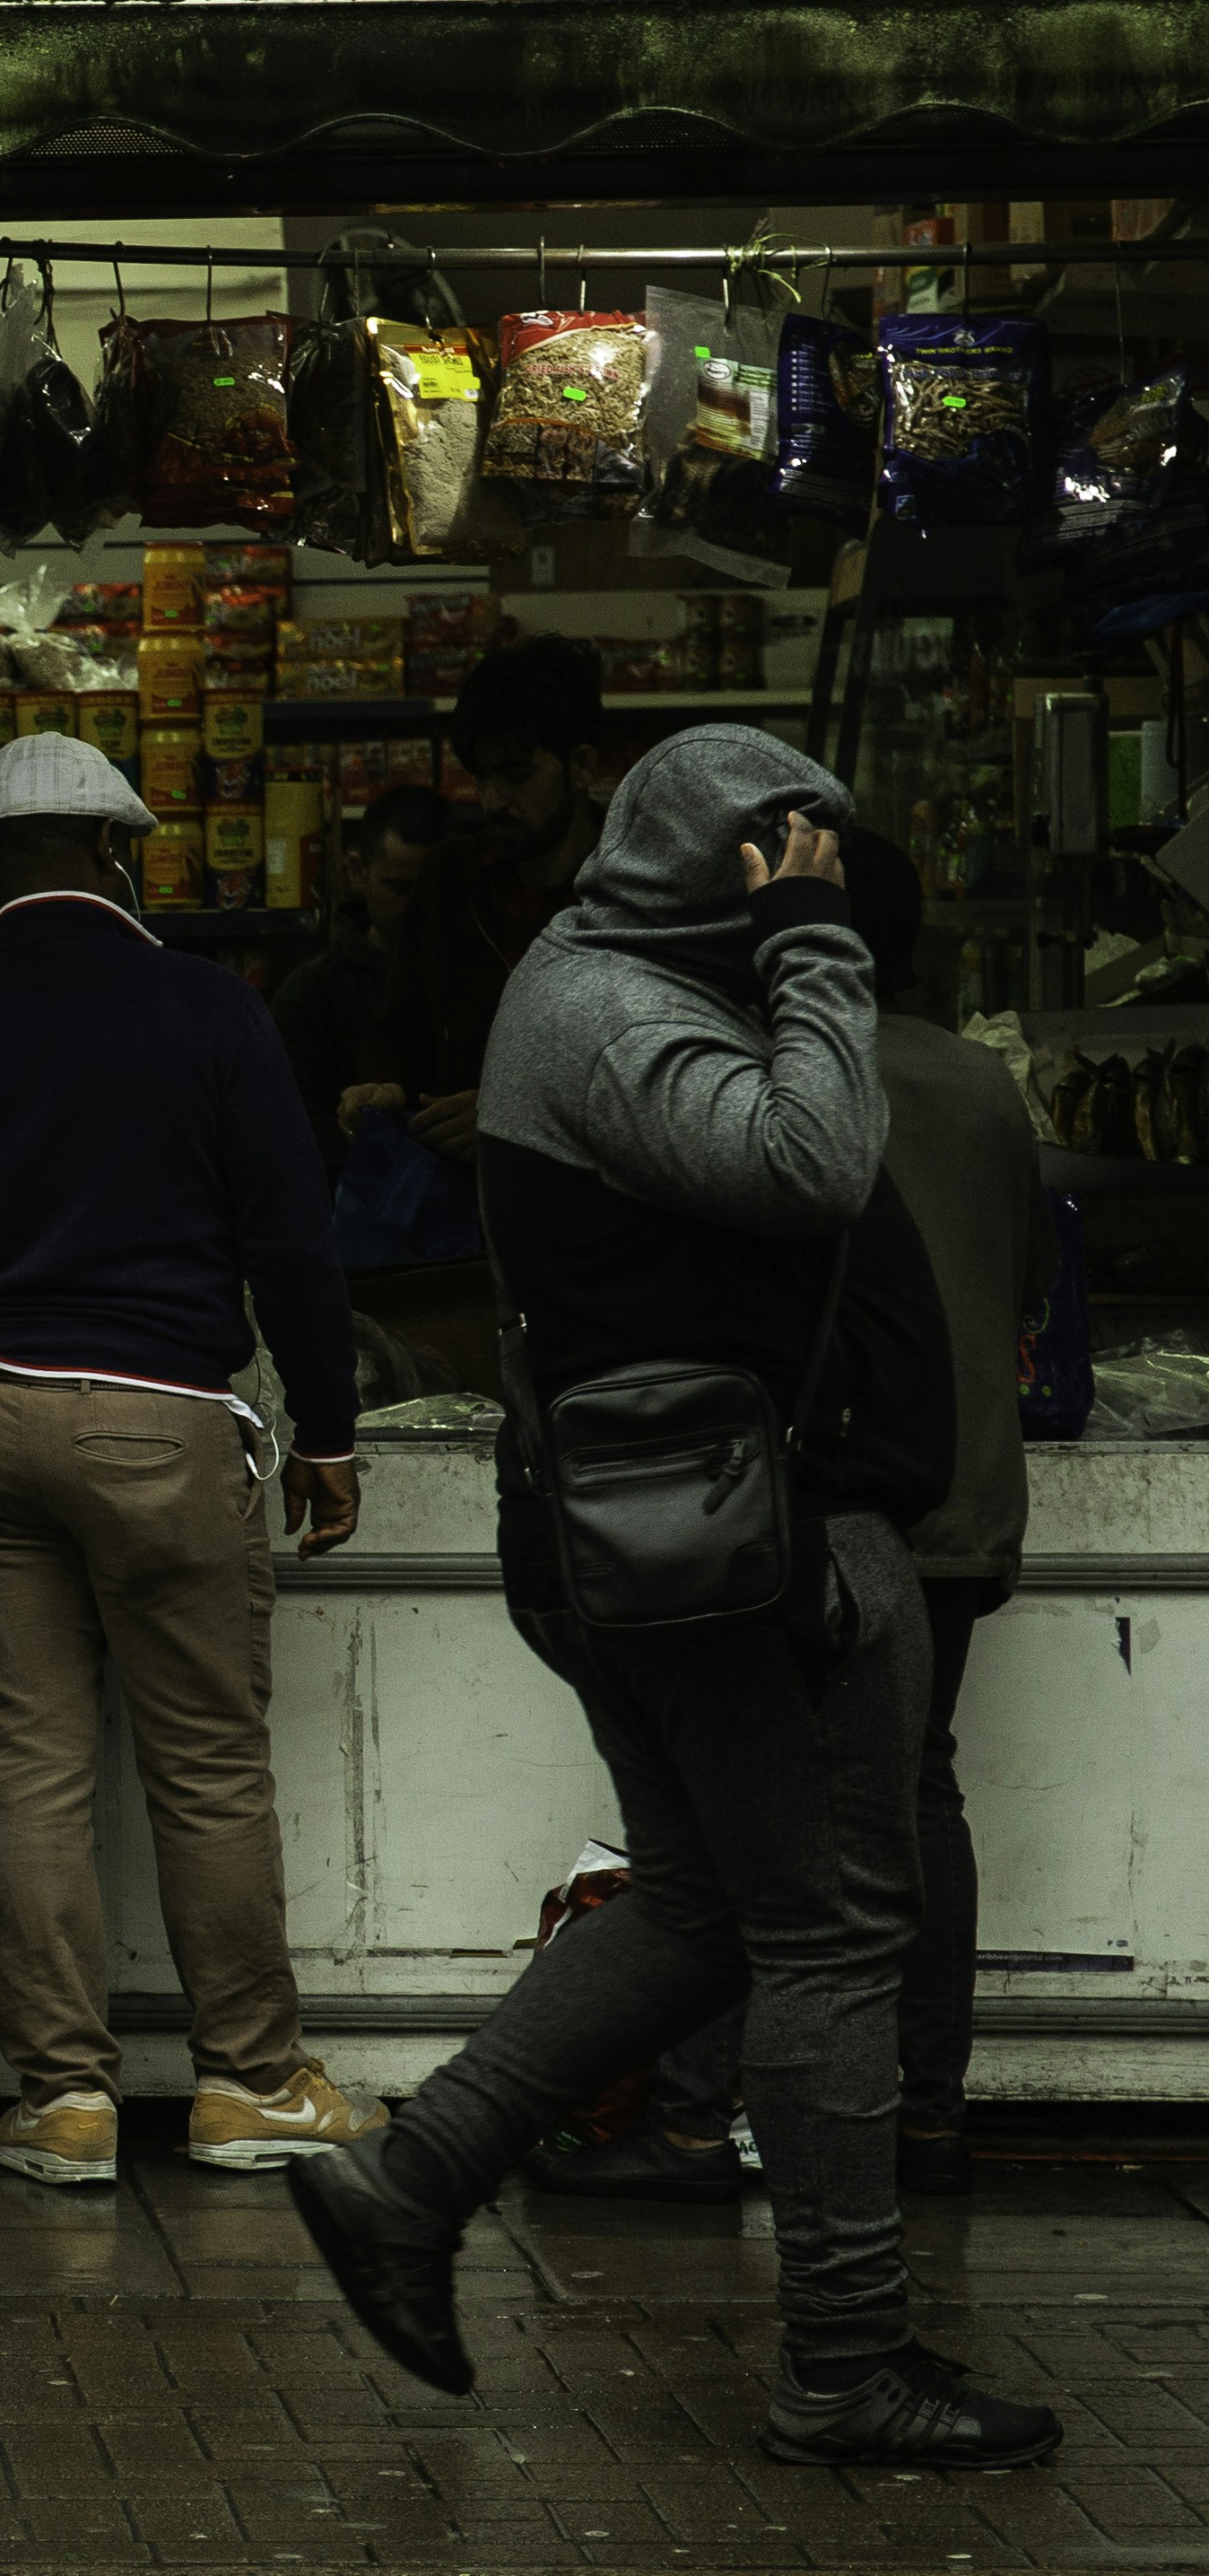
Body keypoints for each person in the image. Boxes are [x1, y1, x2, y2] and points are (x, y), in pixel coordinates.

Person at [286, 729, 1059, 2471]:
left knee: (709, 1904)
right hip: (741, 1556)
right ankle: (843, 2358)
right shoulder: (618, 1005)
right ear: (726, 875)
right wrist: (814, 949)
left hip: (683, 1535)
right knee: (831, 1932)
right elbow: (813, 1157)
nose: (816, 894)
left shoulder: (600, 983)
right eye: (792, 863)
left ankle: (412, 2181)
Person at [0, 732, 377, 2187]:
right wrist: (328, 1429)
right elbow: (292, 1241)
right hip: (160, 1423)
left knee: (33, 1767)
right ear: (114, 852)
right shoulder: (210, 1012)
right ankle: (247, 2082)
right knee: (205, 1766)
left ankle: (66, 2102)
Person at [520, 825, 1045, 2209]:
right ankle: (925, 2124)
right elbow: (1031, 1285)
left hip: (799, 1507)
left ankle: (699, 2122)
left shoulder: (750, 1079)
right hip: (961, 1495)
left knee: (743, 1830)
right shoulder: (983, 1082)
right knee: (917, 1793)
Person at [339, 633, 606, 1164]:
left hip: (592, 1196)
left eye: (516, 775)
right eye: (481, 778)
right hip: (462, 1195)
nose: (492, 801)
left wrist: (513, 1114)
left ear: (581, 766)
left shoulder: (634, 886)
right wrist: (384, 1085)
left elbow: (656, 1075)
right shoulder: (452, 877)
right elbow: (401, 1027)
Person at [276, 785, 446, 1166]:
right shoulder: (312, 994)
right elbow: (298, 1134)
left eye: (434, 889)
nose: (418, 907)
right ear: (357, 872)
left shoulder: (484, 979)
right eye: (400, 888)